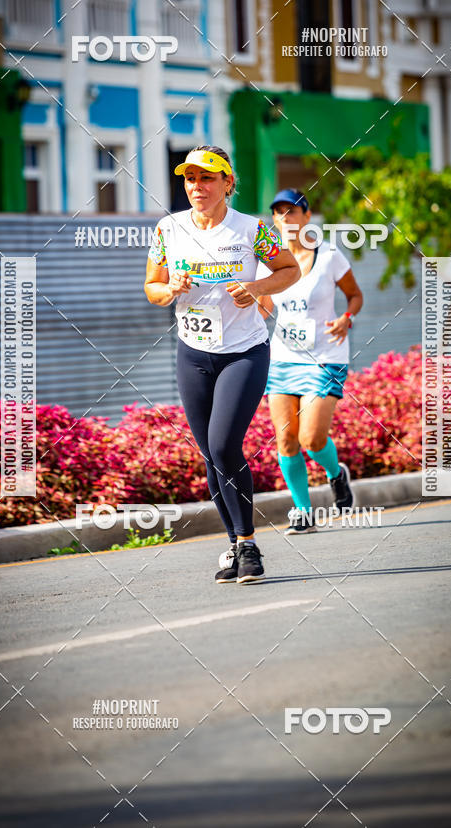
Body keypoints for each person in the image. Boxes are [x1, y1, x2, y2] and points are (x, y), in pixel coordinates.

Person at [144, 146, 300, 581]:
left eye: (207, 178)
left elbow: (289, 270)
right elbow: (152, 287)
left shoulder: (251, 229)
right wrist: (170, 288)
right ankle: (234, 544)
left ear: (228, 183)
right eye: (190, 178)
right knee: (210, 456)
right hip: (193, 354)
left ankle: (249, 544)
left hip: (243, 352)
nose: (197, 186)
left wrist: (256, 287)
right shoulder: (168, 229)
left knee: (223, 445)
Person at [257, 189, 363, 534]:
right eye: (279, 212)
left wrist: (346, 318)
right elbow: (265, 307)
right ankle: (303, 513)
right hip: (283, 358)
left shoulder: (329, 255)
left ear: (307, 215)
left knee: (312, 439)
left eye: (292, 211)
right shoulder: (269, 261)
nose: (285, 218)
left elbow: (355, 295)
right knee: (285, 439)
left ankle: (336, 473)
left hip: (324, 358)